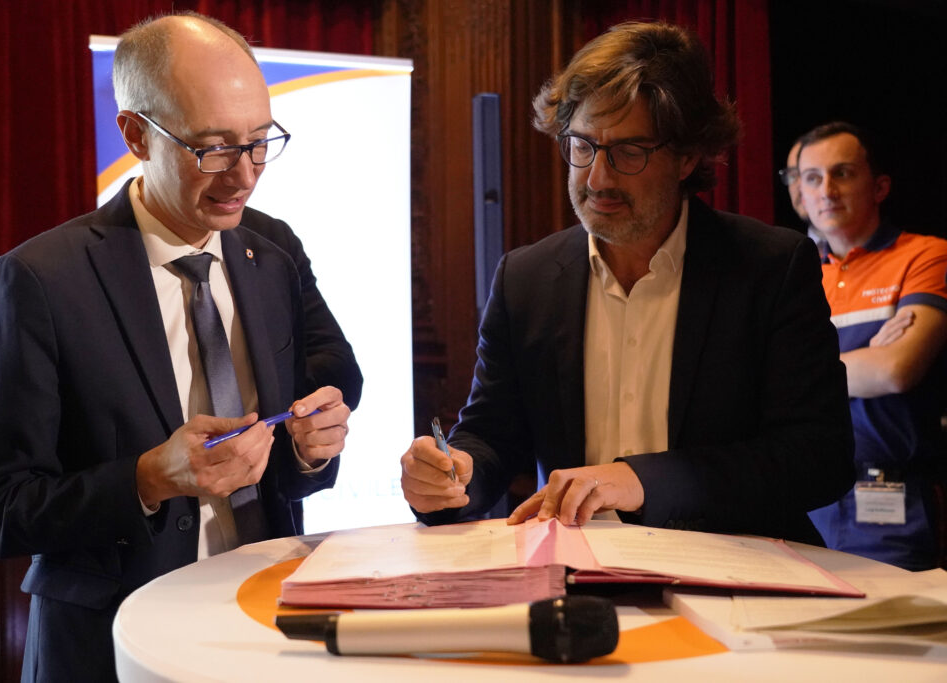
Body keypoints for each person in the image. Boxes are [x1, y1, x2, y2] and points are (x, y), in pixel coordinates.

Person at [0, 12, 362, 681]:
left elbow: (315, 408)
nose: (244, 176)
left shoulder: (271, 252)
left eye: (259, 142)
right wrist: (149, 478)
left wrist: (311, 444)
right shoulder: (41, 279)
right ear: (135, 134)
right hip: (110, 645)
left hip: (266, 624)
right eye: (212, 149)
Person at [400, 21, 854, 544]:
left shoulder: (770, 267)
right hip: (578, 571)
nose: (597, 178)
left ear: (687, 157)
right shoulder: (526, 279)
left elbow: (819, 458)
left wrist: (641, 480)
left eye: (628, 152)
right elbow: (491, 435)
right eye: (583, 146)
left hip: (732, 572)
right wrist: (453, 476)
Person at [797, 121, 947, 570]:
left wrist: (796, 375)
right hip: (804, 501)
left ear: (879, 187)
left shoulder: (926, 255)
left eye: (842, 173)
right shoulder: (794, 275)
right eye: (812, 178)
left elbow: (895, 370)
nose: (826, 191)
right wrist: (866, 358)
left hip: (889, 501)